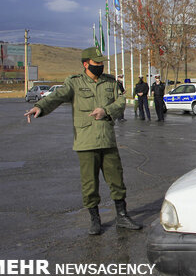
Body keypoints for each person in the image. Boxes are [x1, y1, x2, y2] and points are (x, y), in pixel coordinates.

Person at [24, 47, 142, 235]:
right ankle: (95, 220)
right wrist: (39, 107)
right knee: (90, 184)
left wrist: (106, 111)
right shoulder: (75, 83)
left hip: (108, 140)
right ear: (86, 64)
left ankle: (122, 216)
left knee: (117, 181)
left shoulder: (109, 82)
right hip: (86, 142)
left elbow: (121, 102)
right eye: (97, 63)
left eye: (102, 63)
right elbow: (56, 96)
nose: (101, 66)